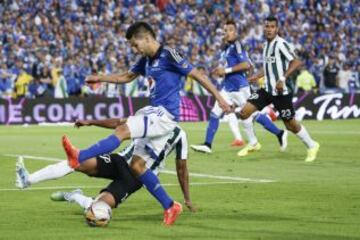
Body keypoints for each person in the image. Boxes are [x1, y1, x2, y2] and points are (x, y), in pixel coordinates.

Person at [61, 22, 230, 225]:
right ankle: (170, 206)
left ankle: (79, 156)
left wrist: (219, 98)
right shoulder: (146, 60)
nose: (135, 49)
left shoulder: (169, 54)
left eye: (135, 44)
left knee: (123, 129)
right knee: (137, 165)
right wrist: (101, 78)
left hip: (164, 114)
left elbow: (197, 74)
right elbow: (127, 76)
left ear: (147, 37)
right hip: (157, 115)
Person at [15, 121, 196, 225]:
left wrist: (187, 197)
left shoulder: (180, 136)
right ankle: (27, 180)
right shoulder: (149, 118)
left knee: (98, 214)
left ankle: (78, 198)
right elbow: (120, 125)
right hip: (120, 161)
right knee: (78, 162)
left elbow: (182, 168)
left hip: (136, 178)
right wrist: (91, 122)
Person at [191, 19, 287, 155]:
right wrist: (220, 72)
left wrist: (227, 71)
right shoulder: (226, 48)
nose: (227, 33)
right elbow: (246, 65)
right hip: (227, 88)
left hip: (240, 88)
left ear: (235, 32)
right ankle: (207, 145)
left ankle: (279, 133)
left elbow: (247, 65)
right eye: (225, 30)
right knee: (214, 114)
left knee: (253, 115)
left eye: (230, 30)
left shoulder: (237, 45)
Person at [239, 16, 320, 162]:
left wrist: (282, 79)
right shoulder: (266, 46)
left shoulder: (281, 44)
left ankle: (312, 145)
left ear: (277, 29)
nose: (269, 29)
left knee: (290, 125)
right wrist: (257, 76)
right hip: (267, 90)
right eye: (267, 26)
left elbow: (296, 62)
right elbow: (269, 67)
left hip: (281, 92)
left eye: (272, 27)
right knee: (244, 112)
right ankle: (253, 143)